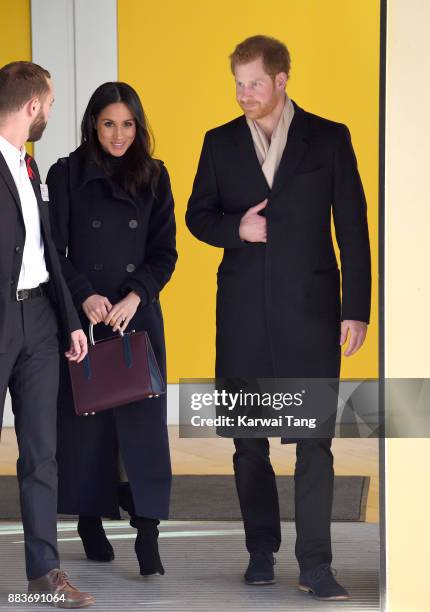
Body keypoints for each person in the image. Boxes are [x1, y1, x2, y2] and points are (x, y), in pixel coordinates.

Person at [186, 35, 371, 601]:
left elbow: (354, 230)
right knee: (248, 443)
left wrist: (356, 310)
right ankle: (260, 551)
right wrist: (234, 230)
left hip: (311, 316)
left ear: (283, 78)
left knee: (314, 441)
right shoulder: (218, 143)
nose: (244, 94)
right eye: (238, 84)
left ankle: (316, 565)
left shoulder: (330, 138)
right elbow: (197, 215)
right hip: (241, 314)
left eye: (255, 83)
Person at [46, 81, 177, 577]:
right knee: (87, 428)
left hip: (135, 316)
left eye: (127, 124)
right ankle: (89, 520)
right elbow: (53, 252)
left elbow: (165, 252)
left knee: (144, 433)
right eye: (108, 124)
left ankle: (148, 534)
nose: (119, 134)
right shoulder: (65, 174)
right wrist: (84, 295)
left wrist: (135, 294)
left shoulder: (156, 176)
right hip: (85, 319)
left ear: (138, 126)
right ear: (92, 125)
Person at [0, 61, 94, 608]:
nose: (51, 113)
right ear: (32, 106)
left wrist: (69, 320)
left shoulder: (30, 168)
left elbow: (47, 255)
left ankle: (45, 575)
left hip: (38, 320)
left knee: (42, 453)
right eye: (51, 104)